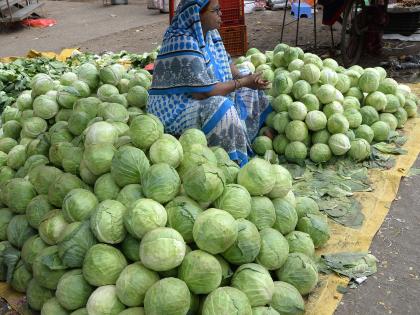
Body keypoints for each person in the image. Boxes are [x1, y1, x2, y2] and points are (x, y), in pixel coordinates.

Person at [147, 0, 272, 166]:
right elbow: (204, 92)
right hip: (176, 107)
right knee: (221, 107)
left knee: (249, 84)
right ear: (197, 15)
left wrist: (248, 78)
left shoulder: (210, 34)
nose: (221, 14)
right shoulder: (183, 42)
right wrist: (242, 82)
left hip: (204, 91)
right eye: (215, 11)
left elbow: (227, 64)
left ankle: (247, 138)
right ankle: (231, 160)